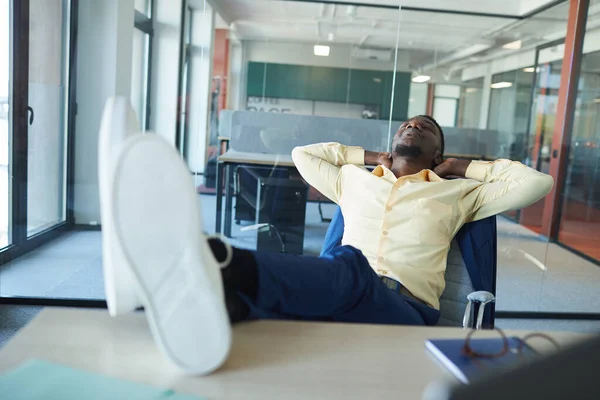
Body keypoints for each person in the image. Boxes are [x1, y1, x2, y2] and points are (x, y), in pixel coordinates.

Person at [102, 114, 553, 375]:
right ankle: (210, 307)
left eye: (425, 127)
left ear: (437, 152)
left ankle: (212, 260)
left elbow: (537, 182)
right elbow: (304, 155)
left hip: (405, 312)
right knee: (284, 311)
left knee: (348, 267)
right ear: (391, 142)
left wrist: (462, 166)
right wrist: (369, 158)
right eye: (407, 123)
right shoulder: (353, 180)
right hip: (341, 290)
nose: (413, 125)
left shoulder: (456, 190)